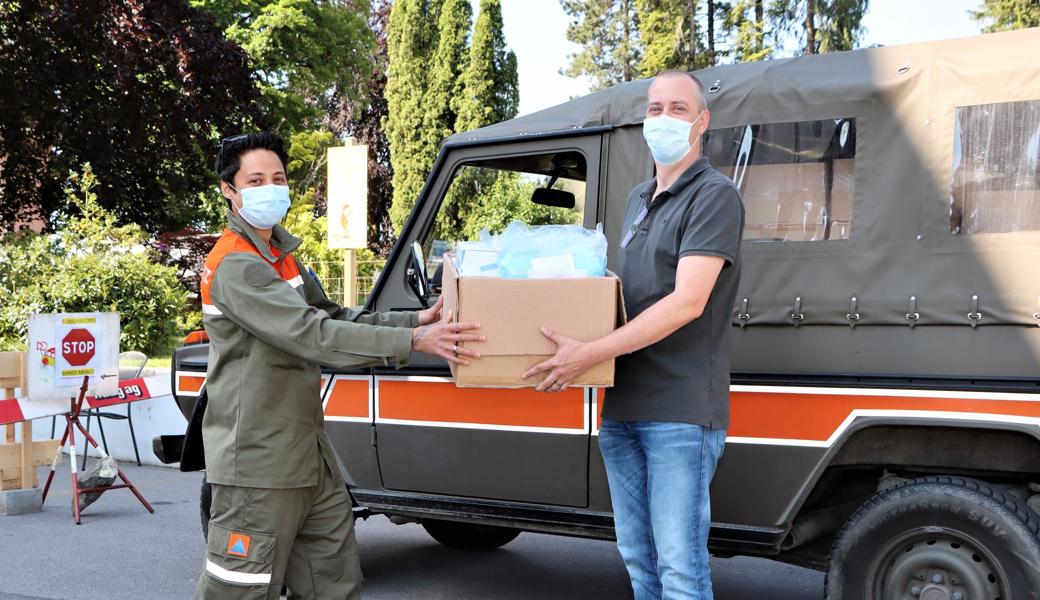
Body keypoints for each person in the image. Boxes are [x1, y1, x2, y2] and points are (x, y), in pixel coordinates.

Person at [195, 132, 483, 599]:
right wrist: (413, 341)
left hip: (308, 453)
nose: (272, 187)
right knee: (242, 589)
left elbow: (329, 315)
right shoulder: (237, 266)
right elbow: (314, 336)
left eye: (279, 177)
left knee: (333, 581)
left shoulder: (279, 258)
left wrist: (415, 318)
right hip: (259, 462)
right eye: (256, 179)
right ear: (230, 190)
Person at [522, 71, 745, 599]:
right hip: (623, 408)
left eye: (678, 109)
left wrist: (591, 353)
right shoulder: (640, 198)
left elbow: (687, 302)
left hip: (680, 414)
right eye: (654, 108)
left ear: (702, 121)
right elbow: (623, 296)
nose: (663, 119)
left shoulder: (714, 196)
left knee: (680, 570)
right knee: (638, 561)